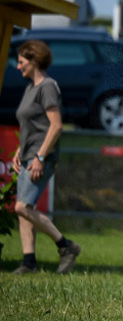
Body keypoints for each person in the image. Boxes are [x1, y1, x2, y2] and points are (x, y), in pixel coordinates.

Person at [10, 40, 81, 274]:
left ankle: (66, 245)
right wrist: (20, 151)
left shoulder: (48, 86)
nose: (18, 67)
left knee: (22, 207)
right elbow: (33, 125)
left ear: (34, 61)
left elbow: (56, 126)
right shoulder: (31, 88)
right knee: (24, 210)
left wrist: (40, 157)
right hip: (28, 156)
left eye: (22, 62)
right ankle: (29, 262)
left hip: (41, 158)